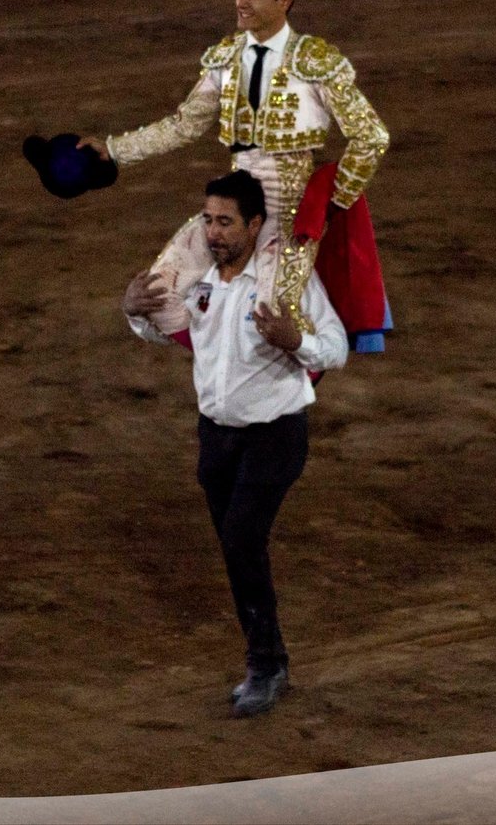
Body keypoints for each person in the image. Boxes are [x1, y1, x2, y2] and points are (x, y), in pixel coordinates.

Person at [123, 170, 348, 718]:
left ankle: (266, 665)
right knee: (235, 545)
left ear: (254, 225)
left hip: (275, 434)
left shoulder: (284, 281)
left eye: (226, 222)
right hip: (216, 437)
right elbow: (166, 329)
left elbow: (336, 346)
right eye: (208, 220)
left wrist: (297, 341)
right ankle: (267, 657)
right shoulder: (198, 278)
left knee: (243, 539)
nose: (213, 232)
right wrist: (133, 311)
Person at [82, 0, 389, 339]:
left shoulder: (315, 62)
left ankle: (293, 375)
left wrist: (330, 203)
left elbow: (372, 136)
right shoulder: (225, 58)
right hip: (232, 206)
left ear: (284, 1)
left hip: (289, 212)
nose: (241, 2)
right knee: (155, 297)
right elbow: (184, 124)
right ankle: (220, 363)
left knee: (276, 322)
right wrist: (115, 150)